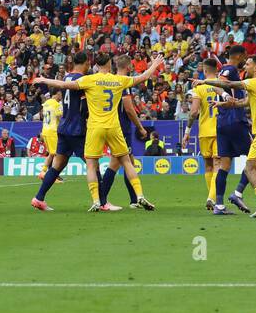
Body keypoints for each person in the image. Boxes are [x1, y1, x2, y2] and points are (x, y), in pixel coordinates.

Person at [32, 52, 164, 212]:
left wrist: (44, 80)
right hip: (91, 128)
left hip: (70, 128)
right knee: (118, 162)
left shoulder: (83, 79)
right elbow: (143, 77)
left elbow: (62, 85)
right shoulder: (117, 80)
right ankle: (107, 201)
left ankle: (40, 198)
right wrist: (155, 65)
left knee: (63, 164)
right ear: (109, 64)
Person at [197, 54, 256, 218]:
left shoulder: (254, 81)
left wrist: (205, 81)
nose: (245, 66)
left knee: (249, 169)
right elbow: (243, 103)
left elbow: (228, 84)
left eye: (249, 64)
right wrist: (222, 104)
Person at [27, 50, 90, 212]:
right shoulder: (82, 79)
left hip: (63, 127)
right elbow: (83, 107)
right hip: (76, 129)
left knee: (57, 165)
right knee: (92, 164)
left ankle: (39, 198)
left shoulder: (67, 77)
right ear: (85, 63)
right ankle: (102, 201)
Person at [93, 55, 155, 211]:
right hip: (120, 128)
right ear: (129, 67)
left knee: (129, 163)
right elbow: (128, 108)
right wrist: (140, 127)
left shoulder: (110, 79)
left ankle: (134, 199)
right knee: (116, 163)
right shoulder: (123, 82)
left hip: (110, 124)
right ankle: (102, 200)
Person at [213, 45, 254, 213]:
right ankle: (237, 192)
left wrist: (223, 94)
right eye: (244, 56)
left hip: (222, 122)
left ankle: (219, 205)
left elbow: (216, 84)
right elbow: (221, 83)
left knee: (225, 164)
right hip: (235, 120)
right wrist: (226, 95)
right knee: (255, 157)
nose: (245, 59)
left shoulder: (223, 69)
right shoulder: (230, 68)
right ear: (239, 56)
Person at [182, 58, 223, 212]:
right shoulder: (222, 83)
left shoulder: (199, 87)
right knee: (218, 164)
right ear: (216, 70)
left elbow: (193, 112)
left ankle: (211, 196)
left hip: (204, 131)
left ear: (205, 71)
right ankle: (212, 198)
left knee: (208, 165)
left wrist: (187, 132)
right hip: (219, 130)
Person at [38, 89, 64, 188]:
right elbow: (60, 116)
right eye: (61, 94)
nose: (61, 96)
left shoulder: (46, 103)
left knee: (51, 153)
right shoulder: (56, 104)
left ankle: (43, 172)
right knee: (57, 154)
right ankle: (54, 176)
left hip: (45, 130)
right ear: (57, 93)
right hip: (53, 130)